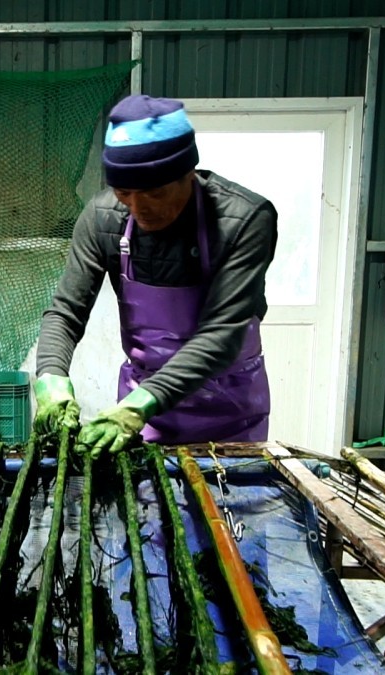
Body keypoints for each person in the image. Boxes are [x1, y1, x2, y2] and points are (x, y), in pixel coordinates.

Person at [33, 95, 277, 457]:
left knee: (228, 508)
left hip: (229, 412)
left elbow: (221, 334)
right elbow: (65, 313)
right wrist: (50, 378)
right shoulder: (103, 219)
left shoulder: (243, 220)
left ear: (188, 174)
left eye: (155, 192)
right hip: (143, 416)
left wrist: (139, 404)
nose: (138, 208)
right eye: (124, 192)